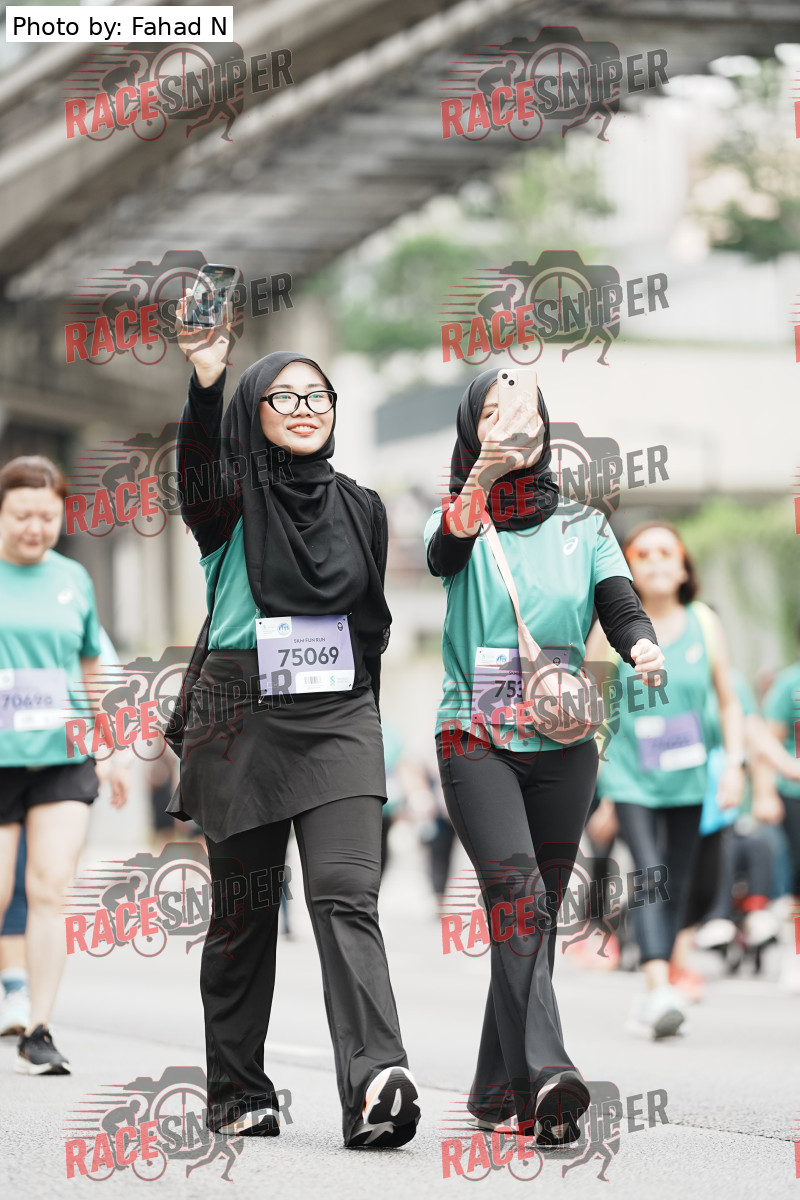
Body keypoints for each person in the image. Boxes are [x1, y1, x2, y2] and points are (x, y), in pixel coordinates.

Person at [167, 310, 419, 1147]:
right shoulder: (227, 503)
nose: (306, 408)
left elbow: (369, 622)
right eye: (284, 396)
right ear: (254, 410)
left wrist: (366, 709)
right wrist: (208, 380)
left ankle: (376, 1080)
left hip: (338, 710)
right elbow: (200, 463)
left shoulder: (363, 507)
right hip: (239, 715)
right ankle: (238, 1089)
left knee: (347, 892)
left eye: (318, 395)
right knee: (244, 914)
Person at [425, 370, 663, 1143]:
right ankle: (551, 1073)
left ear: (545, 424)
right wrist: (483, 476)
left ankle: (499, 1091)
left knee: (534, 915)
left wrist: (641, 645)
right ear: (471, 431)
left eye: (522, 410)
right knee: (520, 899)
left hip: (564, 738)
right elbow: (443, 555)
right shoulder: (458, 516)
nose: (509, 422)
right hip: (476, 737)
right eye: (490, 414)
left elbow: (618, 602)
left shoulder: (585, 524)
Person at [586, 522, 745, 1038]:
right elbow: (592, 707)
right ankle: (657, 987)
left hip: (690, 776)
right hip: (630, 776)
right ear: (627, 568)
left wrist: (735, 764)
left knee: (677, 878)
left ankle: (655, 987)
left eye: (665, 552)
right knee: (649, 871)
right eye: (643, 553)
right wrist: (600, 788)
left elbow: (728, 701)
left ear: (683, 568)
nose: (655, 561)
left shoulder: (705, 623)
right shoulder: (608, 628)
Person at [0, 456, 128, 1074]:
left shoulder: (73, 578)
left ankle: (39, 1028)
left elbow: (91, 663)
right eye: (22, 515)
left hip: (63, 752)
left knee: (51, 887)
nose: (35, 527)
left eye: (47, 516)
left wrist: (113, 746)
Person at [761, 630, 800, 990]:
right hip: (794, 792)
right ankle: (796, 952)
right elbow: (767, 740)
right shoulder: (790, 682)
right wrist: (766, 793)